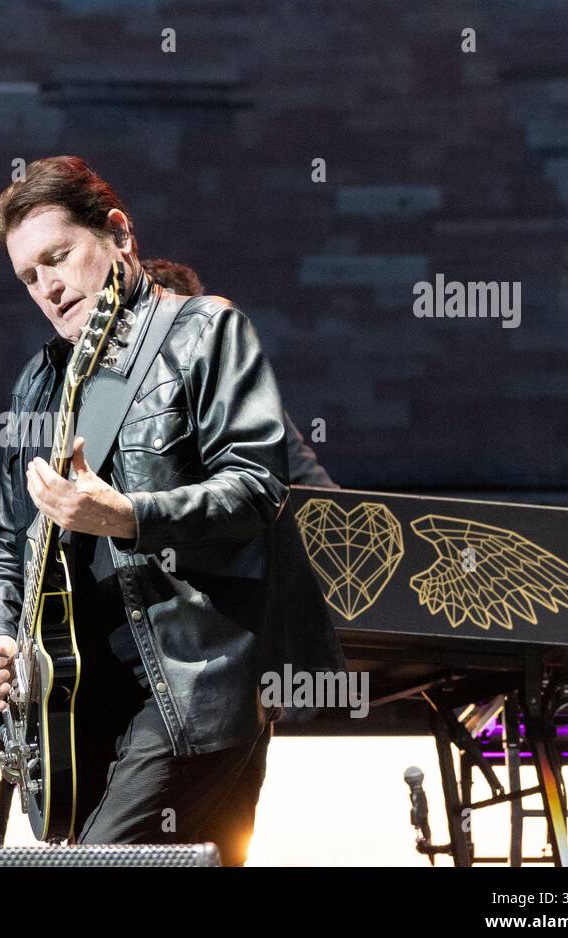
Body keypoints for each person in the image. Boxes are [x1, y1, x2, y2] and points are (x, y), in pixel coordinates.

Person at [0, 156, 344, 859]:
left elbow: (256, 487)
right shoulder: (38, 383)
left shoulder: (205, 331)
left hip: (194, 681)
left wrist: (127, 515)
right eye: (29, 276)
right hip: (83, 699)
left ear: (117, 232)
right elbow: (5, 538)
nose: (48, 287)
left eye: (59, 257)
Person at [139, 257, 338, 864]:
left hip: (227, 653)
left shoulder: (247, 414)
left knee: (222, 834)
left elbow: (323, 511)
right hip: (145, 652)